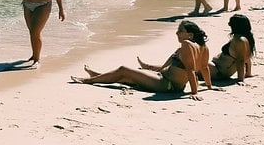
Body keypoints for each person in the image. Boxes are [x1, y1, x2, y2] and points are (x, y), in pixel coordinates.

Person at [71, 20, 217, 100]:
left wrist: (194, 93)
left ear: (190, 35)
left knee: (124, 70)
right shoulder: (204, 47)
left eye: (180, 31)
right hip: (165, 79)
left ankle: (88, 81)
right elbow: (204, 68)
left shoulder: (187, 44)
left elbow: (191, 70)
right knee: (129, 75)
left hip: (167, 84)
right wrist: (209, 86)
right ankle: (97, 75)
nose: (177, 33)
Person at [208, 14, 254, 83]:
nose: (229, 24)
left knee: (193, 65)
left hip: (218, 71)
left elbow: (240, 60)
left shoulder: (239, 40)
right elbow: (247, 57)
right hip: (220, 69)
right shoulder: (247, 37)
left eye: (230, 23)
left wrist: (240, 79)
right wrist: (248, 73)